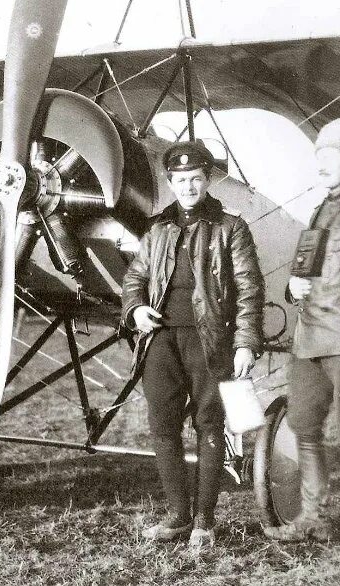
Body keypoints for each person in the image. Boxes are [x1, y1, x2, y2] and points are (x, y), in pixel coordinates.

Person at [121, 140, 264, 548]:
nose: (188, 187)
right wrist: (135, 310)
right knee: (162, 426)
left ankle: (204, 519)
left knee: (208, 423)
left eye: (196, 179)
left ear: (206, 180)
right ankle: (177, 516)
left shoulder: (231, 227)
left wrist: (245, 343)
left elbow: (249, 290)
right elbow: (135, 278)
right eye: (180, 180)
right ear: (170, 182)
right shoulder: (157, 228)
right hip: (160, 340)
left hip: (209, 341)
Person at [264, 115, 340, 545]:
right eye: (318, 155)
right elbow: (305, 270)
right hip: (310, 338)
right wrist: (292, 286)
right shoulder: (320, 208)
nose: (320, 163)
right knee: (303, 424)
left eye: (330, 155)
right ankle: (314, 516)